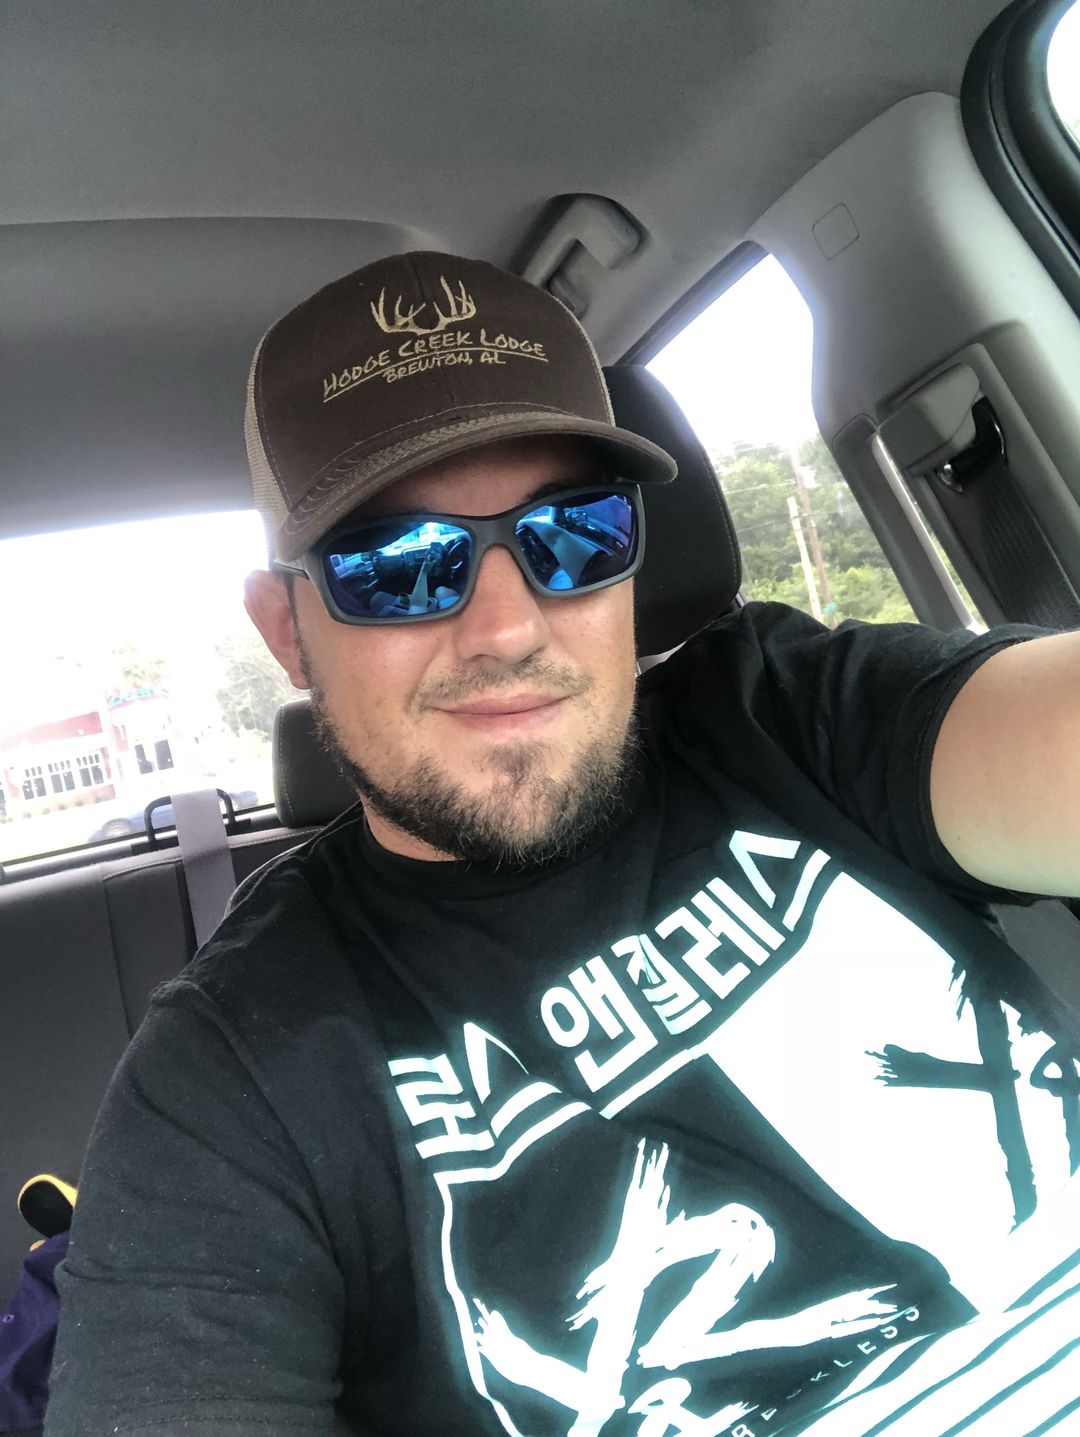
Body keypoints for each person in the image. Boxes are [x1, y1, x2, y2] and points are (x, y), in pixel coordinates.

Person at [46, 252, 1080, 1437]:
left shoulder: (791, 717)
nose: (507, 625)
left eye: (572, 534)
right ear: (287, 630)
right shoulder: (232, 1073)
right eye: (399, 567)